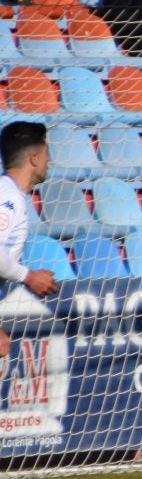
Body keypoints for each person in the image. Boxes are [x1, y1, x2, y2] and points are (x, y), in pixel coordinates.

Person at [0, 121, 59, 364]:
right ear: (34, 159)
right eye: (46, 155)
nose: (49, 162)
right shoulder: (8, 199)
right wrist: (28, 276)